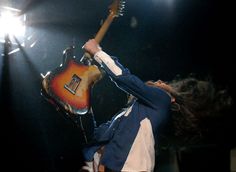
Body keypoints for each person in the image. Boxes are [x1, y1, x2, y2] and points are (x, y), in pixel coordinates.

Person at [79, 39, 232, 172]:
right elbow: (96, 136)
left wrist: (98, 52)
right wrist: (82, 101)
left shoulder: (163, 99)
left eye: (164, 84)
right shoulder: (128, 115)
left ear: (172, 100)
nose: (160, 81)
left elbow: (125, 79)